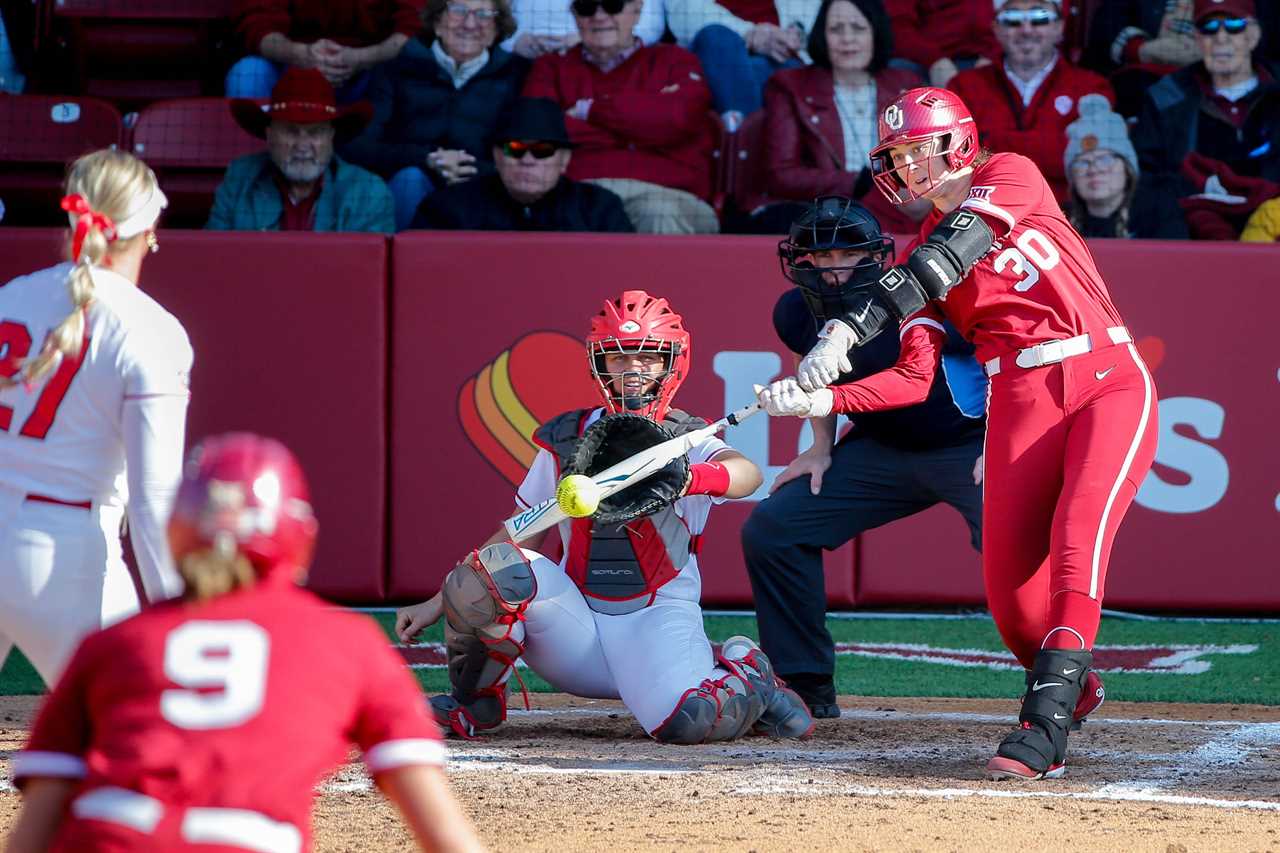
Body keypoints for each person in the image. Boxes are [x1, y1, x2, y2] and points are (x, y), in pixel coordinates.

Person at [756, 87, 1157, 781]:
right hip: (1019, 399)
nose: (911, 168)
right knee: (1013, 605)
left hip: (1103, 374)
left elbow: (952, 250)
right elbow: (914, 377)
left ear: (958, 142)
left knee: (1076, 537)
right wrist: (825, 394)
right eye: (898, 157)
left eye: (922, 150)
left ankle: (1045, 724)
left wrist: (848, 328)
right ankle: (1076, 683)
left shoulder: (1013, 175)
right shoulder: (913, 263)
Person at [5, 433, 485, 853]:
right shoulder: (346, 642)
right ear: (301, 535)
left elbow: (34, 831)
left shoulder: (115, 642)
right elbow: (441, 830)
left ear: (177, 530)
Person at [395, 291, 814, 745]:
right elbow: (518, 534)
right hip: (574, 626)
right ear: (599, 362)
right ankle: (473, 705)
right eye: (618, 357)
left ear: (673, 361)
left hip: (656, 621)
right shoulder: (568, 436)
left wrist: (688, 478)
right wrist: (438, 600)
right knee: (489, 568)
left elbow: (746, 475)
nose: (633, 369)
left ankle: (750, 674)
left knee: (688, 721)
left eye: (648, 356)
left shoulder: (689, 436)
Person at [741, 196, 985, 718]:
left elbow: (984, 365)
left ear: (874, 255)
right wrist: (820, 447)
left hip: (969, 445)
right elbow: (811, 369)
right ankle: (804, 686)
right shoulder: (794, 310)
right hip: (882, 449)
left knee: (1016, 537)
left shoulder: (917, 297)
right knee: (775, 527)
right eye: (819, 257)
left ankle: (1056, 681)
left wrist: (1002, 444)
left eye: (844, 254)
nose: (832, 269)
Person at [0, 150, 190, 686]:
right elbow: (155, 500)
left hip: (36, 530)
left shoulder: (12, 295)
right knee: (140, 738)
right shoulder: (151, 329)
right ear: (148, 226)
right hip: (62, 551)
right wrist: (181, 613)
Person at [521, 0, 721, 234]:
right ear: (574, 15)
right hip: (579, 189)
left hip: (667, 193)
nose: (599, 16)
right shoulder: (550, 67)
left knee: (657, 212)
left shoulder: (675, 60)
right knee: (554, 212)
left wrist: (590, 112)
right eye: (587, 8)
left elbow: (677, 118)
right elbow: (538, 132)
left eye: (612, 5)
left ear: (637, 11)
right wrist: (642, 124)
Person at [341, 0, 529, 230]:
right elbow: (359, 146)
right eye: (458, 12)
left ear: (495, 30)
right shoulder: (396, 69)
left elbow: (520, 148)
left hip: (484, 186)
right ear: (437, 22)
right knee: (410, 179)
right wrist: (428, 159)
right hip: (414, 184)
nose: (470, 24)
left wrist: (473, 168)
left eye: (483, 15)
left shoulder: (517, 76)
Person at [753, 0, 921, 232]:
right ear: (822, 35)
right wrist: (857, 182)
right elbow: (781, 175)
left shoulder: (906, 85)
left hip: (896, 214)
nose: (847, 38)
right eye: (836, 29)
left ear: (876, 33)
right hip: (820, 217)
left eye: (858, 28)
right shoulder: (790, 87)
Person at [947, 0, 1115, 203]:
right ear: (996, 28)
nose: (1026, 30)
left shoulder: (1092, 88)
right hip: (982, 216)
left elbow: (1089, 162)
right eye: (1012, 20)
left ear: (1059, 27)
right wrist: (1055, 145)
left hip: (1066, 219)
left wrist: (990, 143)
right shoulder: (963, 87)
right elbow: (953, 164)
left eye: (1039, 18)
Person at [1132, 0, 1280, 221]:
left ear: (1253, 35)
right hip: (1190, 227)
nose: (1221, 38)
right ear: (1198, 39)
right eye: (1208, 27)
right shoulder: (1165, 98)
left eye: (1234, 25)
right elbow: (1145, 177)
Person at [209, 68, 396, 233]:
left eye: (315, 132)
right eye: (291, 131)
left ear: (331, 137)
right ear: (270, 135)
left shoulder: (368, 192)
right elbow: (214, 259)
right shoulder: (240, 179)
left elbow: (367, 269)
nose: (303, 145)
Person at [411, 96, 634, 230]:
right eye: (515, 149)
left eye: (543, 150)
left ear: (565, 159)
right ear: (497, 156)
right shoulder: (448, 209)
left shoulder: (599, 210)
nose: (527, 160)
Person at [226, 0, 424, 101]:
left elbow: (414, 26)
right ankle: (255, 174)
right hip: (292, 68)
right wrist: (299, 54)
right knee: (246, 74)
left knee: (412, 76)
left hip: (372, 74)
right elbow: (257, 25)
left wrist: (362, 58)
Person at [666, 0, 820, 129]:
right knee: (717, 39)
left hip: (783, 59)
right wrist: (749, 33)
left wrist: (797, 35)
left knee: (766, 74)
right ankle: (743, 147)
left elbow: (824, 15)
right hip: (718, 55)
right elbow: (684, 14)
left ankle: (739, 145)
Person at [1063, 94, 1188, 239]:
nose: (1094, 169)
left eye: (1105, 159)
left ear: (1127, 168)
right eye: (1082, 162)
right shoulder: (1060, 221)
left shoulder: (1160, 212)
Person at [1084, 0, 1199, 117]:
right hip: (1139, 77)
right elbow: (1107, 26)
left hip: (1198, 79)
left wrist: (1147, 51)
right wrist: (1136, 48)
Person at [884, 0, 999, 88]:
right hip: (929, 62)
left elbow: (1010, 20)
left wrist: (991, 56)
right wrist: (935, 60)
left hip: (988, 58)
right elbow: (898, 29)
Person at [502, 0, 666, 59]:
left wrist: (590, 40)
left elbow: (650, 27)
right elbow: (491, 15)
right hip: (520, 60)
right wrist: (514, 42)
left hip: (603, 60)